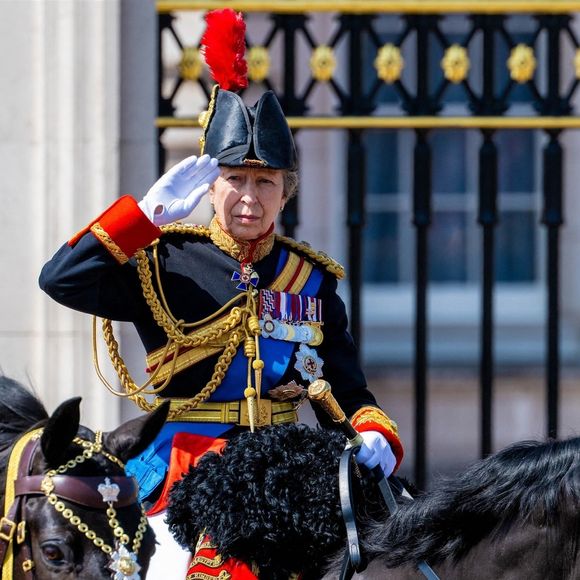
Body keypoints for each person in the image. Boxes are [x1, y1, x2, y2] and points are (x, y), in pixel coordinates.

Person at [39, 11, 404, 579]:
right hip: (182, 468)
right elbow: (61, 278)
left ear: (287, 194)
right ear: (210, 186)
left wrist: (376, 435)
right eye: (235, 179)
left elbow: (349, 394)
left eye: (266, 183)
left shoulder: (308, 279)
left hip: (289, 477)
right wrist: (142, 218)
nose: (250, 199)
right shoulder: (164, 260)